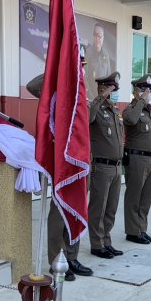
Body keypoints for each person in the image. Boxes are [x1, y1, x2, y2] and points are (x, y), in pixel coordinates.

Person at [26, 73, 93, 280]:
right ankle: (57, 259)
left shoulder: (80, 96)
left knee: (76, 208)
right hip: (62, 163)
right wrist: (57, 70)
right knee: (59, 211)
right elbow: (32, 86)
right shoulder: (57, 95)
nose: (78, 70)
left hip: (80, 162)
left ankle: (71, 257)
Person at [88, 71, 124, 259]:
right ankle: (96, 244)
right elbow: (87, 117)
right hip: (101, 167)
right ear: (103, 89)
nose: (115, 92)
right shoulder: (96, 109)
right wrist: (100, 97)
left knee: (111, 207)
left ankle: (106, 241)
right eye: (112, 89)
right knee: (98, 207)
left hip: (117, 167)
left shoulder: (115, 112)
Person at [123, 74, 151, 245]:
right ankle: (132, 231)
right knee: (134, 197)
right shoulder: (132, 109)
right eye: (144, 89)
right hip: (137, 158)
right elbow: (130, 119)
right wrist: (141, 101)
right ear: (136, 91)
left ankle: (141, 229)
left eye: (149, 90)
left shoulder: (149, 111)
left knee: (146, 199)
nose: (148, 93)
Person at [84, 23, 113, 100]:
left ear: (103, 38)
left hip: (103, 99)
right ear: (93, 36)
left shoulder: (106, 55)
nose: (97, 38)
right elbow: (84, 78)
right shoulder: (87, 53)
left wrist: (106, 96)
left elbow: (109, 78)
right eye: (95, 35)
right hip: (91, 99)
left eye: (100, 36)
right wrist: (92, 98)